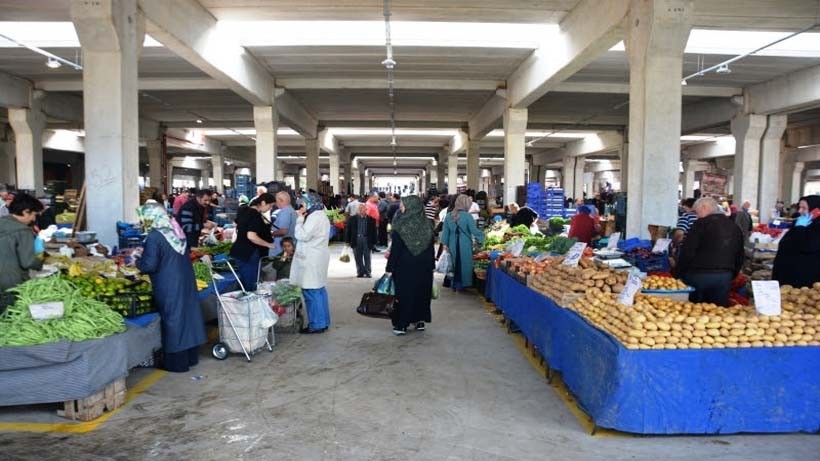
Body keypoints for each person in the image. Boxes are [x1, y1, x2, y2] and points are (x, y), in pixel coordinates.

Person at [134, 204, 206, 373]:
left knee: (173, 320)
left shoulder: (155, 236)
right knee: (188, 318)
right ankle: (191, 358)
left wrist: (136, 261)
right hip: (185, 281)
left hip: (169, 284)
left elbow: (150, 265)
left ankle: (177, 363)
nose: (143, 222)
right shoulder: (175, 230)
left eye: (144, 219)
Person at [675, 197, 745, 307]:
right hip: (724, 276)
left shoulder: (700, 224)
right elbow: (740, 254)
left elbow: (688, 251)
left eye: (697, 212)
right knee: (718, 312)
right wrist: (732, 274)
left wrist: (678, 272)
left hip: (698, 276)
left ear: (704, 207)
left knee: (695, 311)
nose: (697, 216)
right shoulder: (734, 226)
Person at [386, 195, 434, 335]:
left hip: (405, 266)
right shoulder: (428, 224)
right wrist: (431, 265)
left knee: (405, 294)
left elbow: (396, 250)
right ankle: (419, 320)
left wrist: (390, 268)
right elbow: (431, 247)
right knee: (421, 292)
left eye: (403, 204)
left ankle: (402, 324)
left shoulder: (401, 224)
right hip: (424, 265)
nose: (401, 206)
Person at [290, 192, 331, 334]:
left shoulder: (313, 217)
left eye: (304, 203)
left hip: (311, 259)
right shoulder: (321, 214)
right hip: (317, 256)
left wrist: (299, 219)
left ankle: (317, 324)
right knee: (319, 290)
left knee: (311, 291)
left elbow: (302, 235)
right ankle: (323, 321)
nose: (302, 206)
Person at [230, 193, 276, 291]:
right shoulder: (255, 215)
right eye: (270, 206)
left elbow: (236, 223)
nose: (270, 209)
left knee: (244, 283)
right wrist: (269, 244)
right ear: (263, 203)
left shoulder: (243, 209)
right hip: (249, 253)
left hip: (239, 252)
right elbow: (251, 236)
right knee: (251, 286)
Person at [772, 196, 820, 288]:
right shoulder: (798, 225)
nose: (800, 211)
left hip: (803, 283)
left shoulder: (816, 228)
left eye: (804, 208)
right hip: (786, 279)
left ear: (816, 211)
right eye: (799, 207)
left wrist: (800, 228)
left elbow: (806, 246)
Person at [440, 194, 485, 290]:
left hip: (452, 243)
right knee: (465, 263)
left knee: (453, 263)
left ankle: (454, 284)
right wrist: (483, 238)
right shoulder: (467, 216)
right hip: (464, 243)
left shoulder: (449, 216)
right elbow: (474, 230)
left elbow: (445, 232)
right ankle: (464, 284)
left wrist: (445, 244)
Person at [0, 194, 44, 291]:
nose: (34, 219)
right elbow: (28, 262)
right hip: (10, 284)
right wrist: (41, 263)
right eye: (34, 215)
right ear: (26, 211)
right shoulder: (23, 230)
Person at [345, 203, 377, 278]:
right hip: (356, 239)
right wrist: (347, 241)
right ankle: (360, 272)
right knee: (357, 257)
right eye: (360, 209)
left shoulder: (371, 219)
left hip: (366, 239)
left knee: (367, 256)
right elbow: (348, 230)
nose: (362, 210)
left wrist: (374, 242)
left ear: (366, 210)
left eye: (363, 208)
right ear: (358, 210)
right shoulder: (352, 219)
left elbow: (374, 232)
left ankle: (368, 272)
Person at [270, 191, 296, 256]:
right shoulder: (291, 210)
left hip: (281, 248)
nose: (276, 204)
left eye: (276, 201)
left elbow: (283, 231)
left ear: (281, 200)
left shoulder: (285, 212)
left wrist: (271, 234)